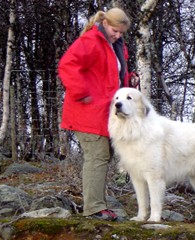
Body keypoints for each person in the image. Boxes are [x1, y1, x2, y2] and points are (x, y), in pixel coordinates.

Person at [58, 7, 139, 220]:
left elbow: (112, 75)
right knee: (98, 156)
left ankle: (98, 205)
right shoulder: (90, 41)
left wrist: (130, 79)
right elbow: (67, 65)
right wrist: (81, 92)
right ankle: (93, 209)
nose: (118, 35)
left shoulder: (116, 46)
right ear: (104, 24)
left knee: (105, 156)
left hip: (106, 112)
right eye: (115, 30)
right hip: (87, 111)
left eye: (121, 32)